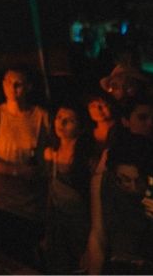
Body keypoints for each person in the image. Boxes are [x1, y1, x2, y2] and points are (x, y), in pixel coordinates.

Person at [0, 68, 50, 268]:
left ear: (28, 87)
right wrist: (16, 170)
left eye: (18, 84)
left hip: (33, 206)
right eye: (8, 82)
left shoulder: (41, 117)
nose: (12, 88)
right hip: (3, 204)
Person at [86, 133, 153, 274]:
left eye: (140, 180)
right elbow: (98, 234)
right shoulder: (102, 184)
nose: (133, 187)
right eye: (125, 179)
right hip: (115, 266)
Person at [42, 102, 92, 274]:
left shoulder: (87, 158)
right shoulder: (50, 153)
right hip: (58, 224)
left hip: (80, 225)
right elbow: (50, 193)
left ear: (81, 126)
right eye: (59, 117)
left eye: (69, 120)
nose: (61, 123)